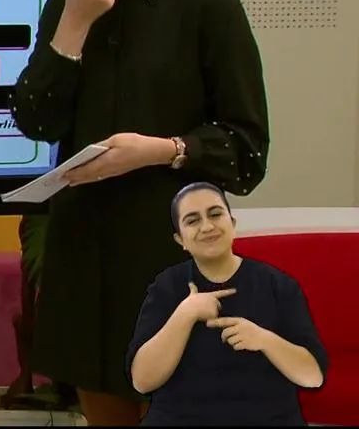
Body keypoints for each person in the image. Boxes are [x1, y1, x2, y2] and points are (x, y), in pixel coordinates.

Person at [8, 0, 271, 425]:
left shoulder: (207, 1)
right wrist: (75, 23)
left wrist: (160, 150)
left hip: (168, 255)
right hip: (84, 259)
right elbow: (36, 119)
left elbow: (247, 150)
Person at [127, 182, 328, 425]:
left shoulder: (277, 285)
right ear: (180, 240)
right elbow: (143, 381)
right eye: (192, 220)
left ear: (232, 224)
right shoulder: (166, 286)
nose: (207, 226)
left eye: (215, 214)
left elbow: (313, 377)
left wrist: (264, 340)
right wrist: (185, 315)